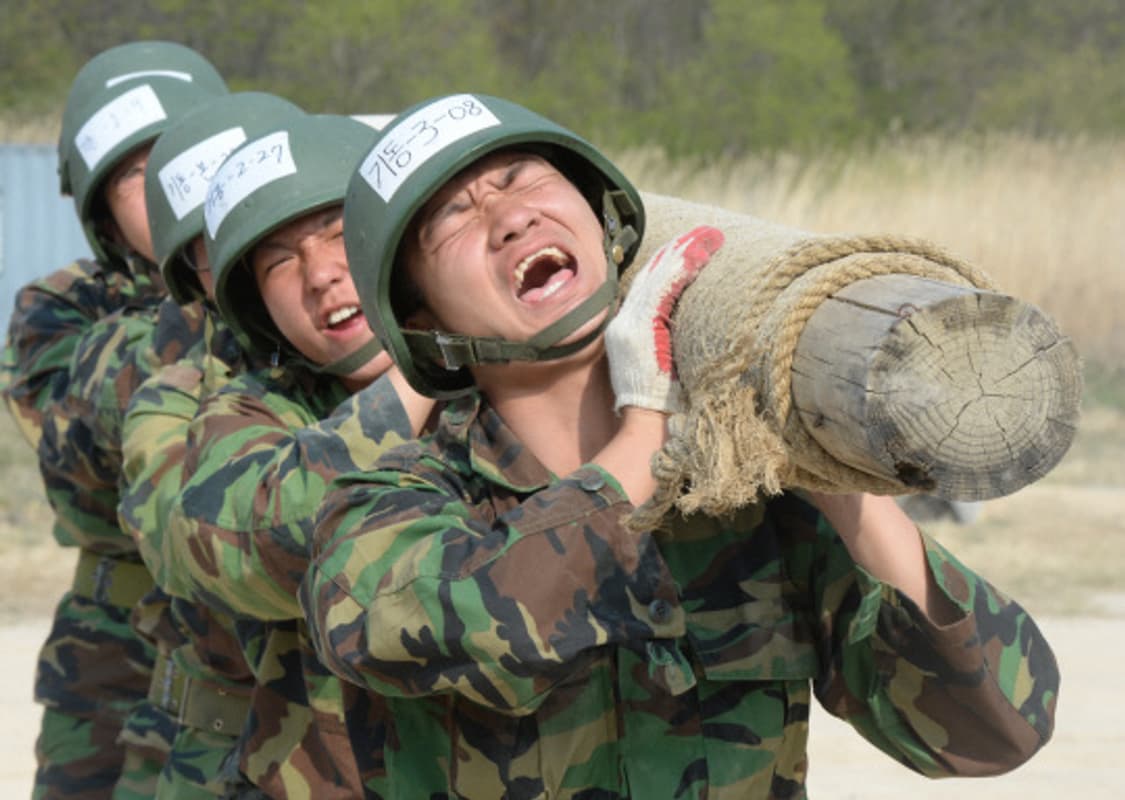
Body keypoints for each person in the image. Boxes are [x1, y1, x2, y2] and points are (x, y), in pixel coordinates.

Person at [304, 93, 1060, 799]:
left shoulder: (746, 504)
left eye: (522, 179)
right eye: (453, 220)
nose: (510, 218)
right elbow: (456, 623)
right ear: (424, 324)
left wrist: (830, 472)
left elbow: (993, 731)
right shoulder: (384, 511)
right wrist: (645, 432)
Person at [146, 112, 434, 798]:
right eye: (279, 261)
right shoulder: (246, 413)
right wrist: (424, 370)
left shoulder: (511, 371)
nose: (321, 275)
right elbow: (239, 546)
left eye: (339, 233)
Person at [0, 41, 228, 799]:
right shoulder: (64, 309)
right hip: (117, 661)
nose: (168, 180)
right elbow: (78, 437)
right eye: (135, 171)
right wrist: (222, 294)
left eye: (185, 151)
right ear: (100, 208)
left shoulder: (315, 280)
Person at [104, 90, 306, 798]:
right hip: (232, 759)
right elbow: (194, 556)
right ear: (194, 275)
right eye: (222, 244)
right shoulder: (175, 402)